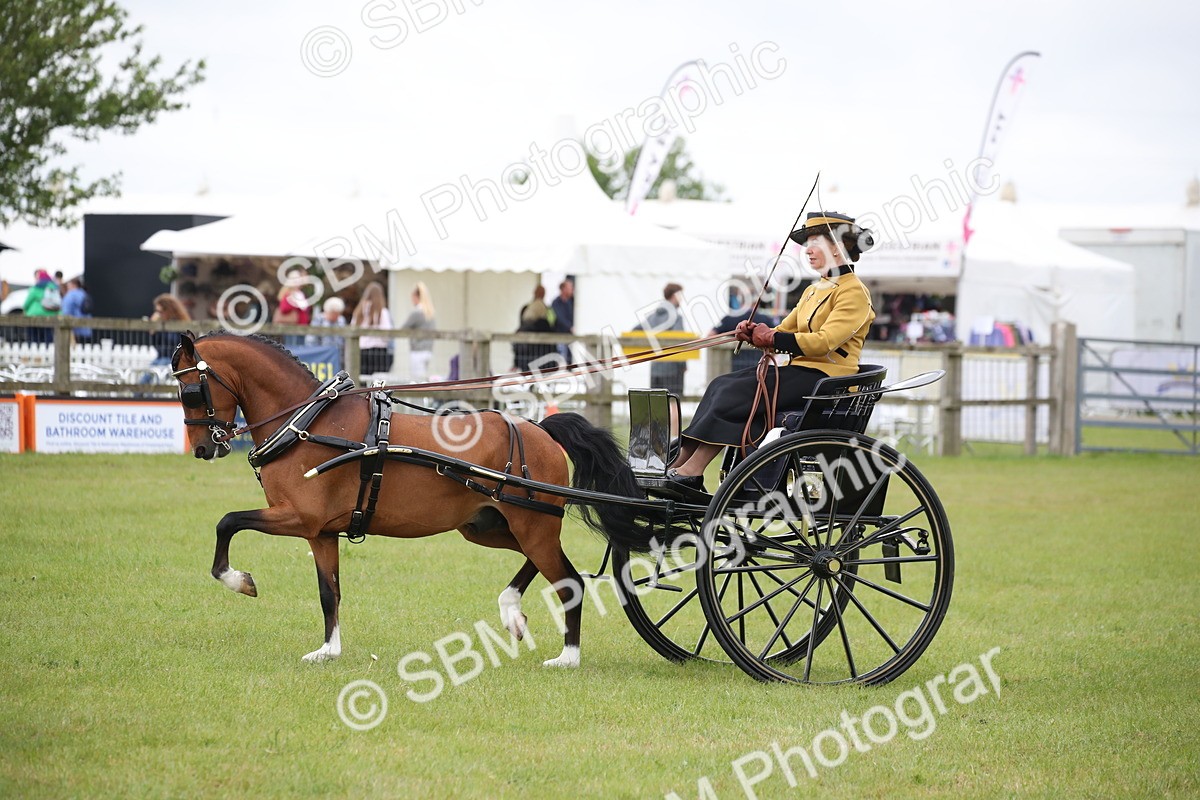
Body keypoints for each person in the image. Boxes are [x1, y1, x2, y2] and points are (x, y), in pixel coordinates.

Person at [666, 212, 875, 493]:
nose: (808, 250)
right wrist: (755, 332)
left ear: (837, 248)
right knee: (720, 385)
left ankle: (692, 471)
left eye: (816, 242)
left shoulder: (854, 292)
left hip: (826, 381)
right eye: (807, 243)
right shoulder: (814, 290)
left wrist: (773, 337)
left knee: (734, 392)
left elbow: (824, 342)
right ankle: (681, 461)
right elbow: (783, 330)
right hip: (802, 373)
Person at [635, 282, 686, 396]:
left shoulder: (652, 317)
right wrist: (683, 365)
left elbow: (635, 331)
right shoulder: (677, 318)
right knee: (673, 401)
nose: (681, 299)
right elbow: (680, 342)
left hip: (655, 368)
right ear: (674, 296)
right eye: (680, 295)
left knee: (657, 402)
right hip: (673, 369)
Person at [709, 301, 776, 373]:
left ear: (741, 304)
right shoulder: (765, 320)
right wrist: (767, 361)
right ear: (756, 305)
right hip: (757, 367)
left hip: (733, 366)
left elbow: (711, 335)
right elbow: (775, 339)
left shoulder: (730, 318)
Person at [352, 281, 393, 375]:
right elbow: (387, 334)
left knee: (361, 379)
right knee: (378, 381)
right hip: (378, 353)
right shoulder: (382, 312)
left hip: (361, 351)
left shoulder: (358, 312)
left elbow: (353, 328)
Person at [513, 285, 557, 372]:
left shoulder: (527, 308)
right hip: (538, 350)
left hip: (534, 350)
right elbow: (552, 326)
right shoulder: (546, 309)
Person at [398, 281, 436, 381]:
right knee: (422, 379)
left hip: (418, 352)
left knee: (417, 381)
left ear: (416, 296)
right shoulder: (430, 312)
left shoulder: (416, 313)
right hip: (428, 351)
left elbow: (403, 328)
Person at [149, 293, 192, 361]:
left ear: (168, 310)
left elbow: (174, 345)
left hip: (174, 359)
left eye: (160, 311)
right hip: (162, 358)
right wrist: (153, 328)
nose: (158, 315)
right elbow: (157, 346)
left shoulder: (179, 325)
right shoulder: (160, 324)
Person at [23, 269, 61, 343]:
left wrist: (25, 310)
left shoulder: (35, 289)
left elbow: (26, 304)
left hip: (34, 317)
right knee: (48, 340)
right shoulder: (54, 288)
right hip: (49, 318)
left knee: (33, 340)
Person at [60, 276, 93, 343]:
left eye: (68, 285)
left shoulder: (71, 295)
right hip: (87, 329)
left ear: (73, 285)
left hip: (75, 331)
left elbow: (66, 312)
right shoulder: (84, 293)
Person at [550, 277, 575, 362]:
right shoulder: (556, 302)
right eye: (570, 287)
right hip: (561, 335)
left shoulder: (573, 301)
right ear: (563, 289)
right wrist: (570, 327)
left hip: (572, 336)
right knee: (562, 359)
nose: (572, 289)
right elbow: (560, 317)